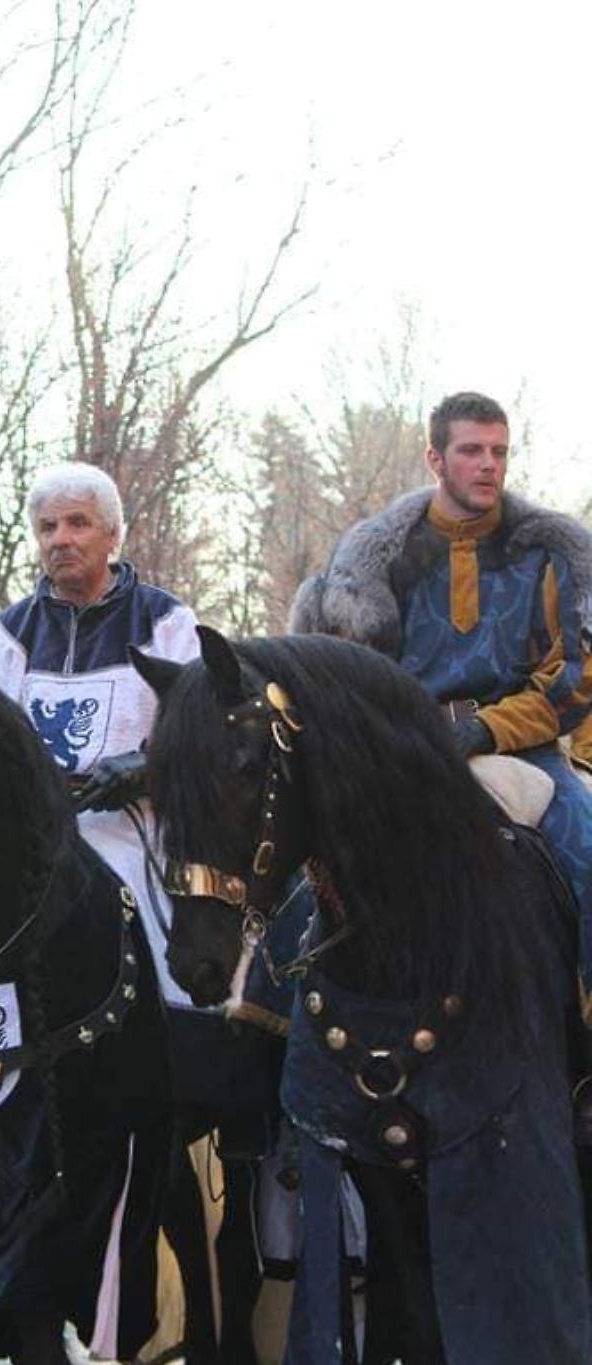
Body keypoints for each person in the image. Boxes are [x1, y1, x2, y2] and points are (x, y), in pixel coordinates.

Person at [293, 390, 592, 1102]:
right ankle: (272, 1048)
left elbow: (576, 678)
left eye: (498, 451)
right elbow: (338, 672)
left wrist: (487, 729)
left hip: (523, 753)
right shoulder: (371, 562)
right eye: (471, 450)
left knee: (588, 853)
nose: (488, 466)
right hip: (402, 756)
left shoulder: (553, 552)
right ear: (435, 457)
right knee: (301, 887)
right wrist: (405, 738)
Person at [0, 460, 215, 1079]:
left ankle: (189, 1080)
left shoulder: (165, 623)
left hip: (138, 836)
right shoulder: (9, 634)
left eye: (78, 523)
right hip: (37, 848)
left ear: (113, 535)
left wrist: (141, 767)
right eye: (48, 527)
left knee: (186, 962)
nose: (61, 539)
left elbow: (205, 730)